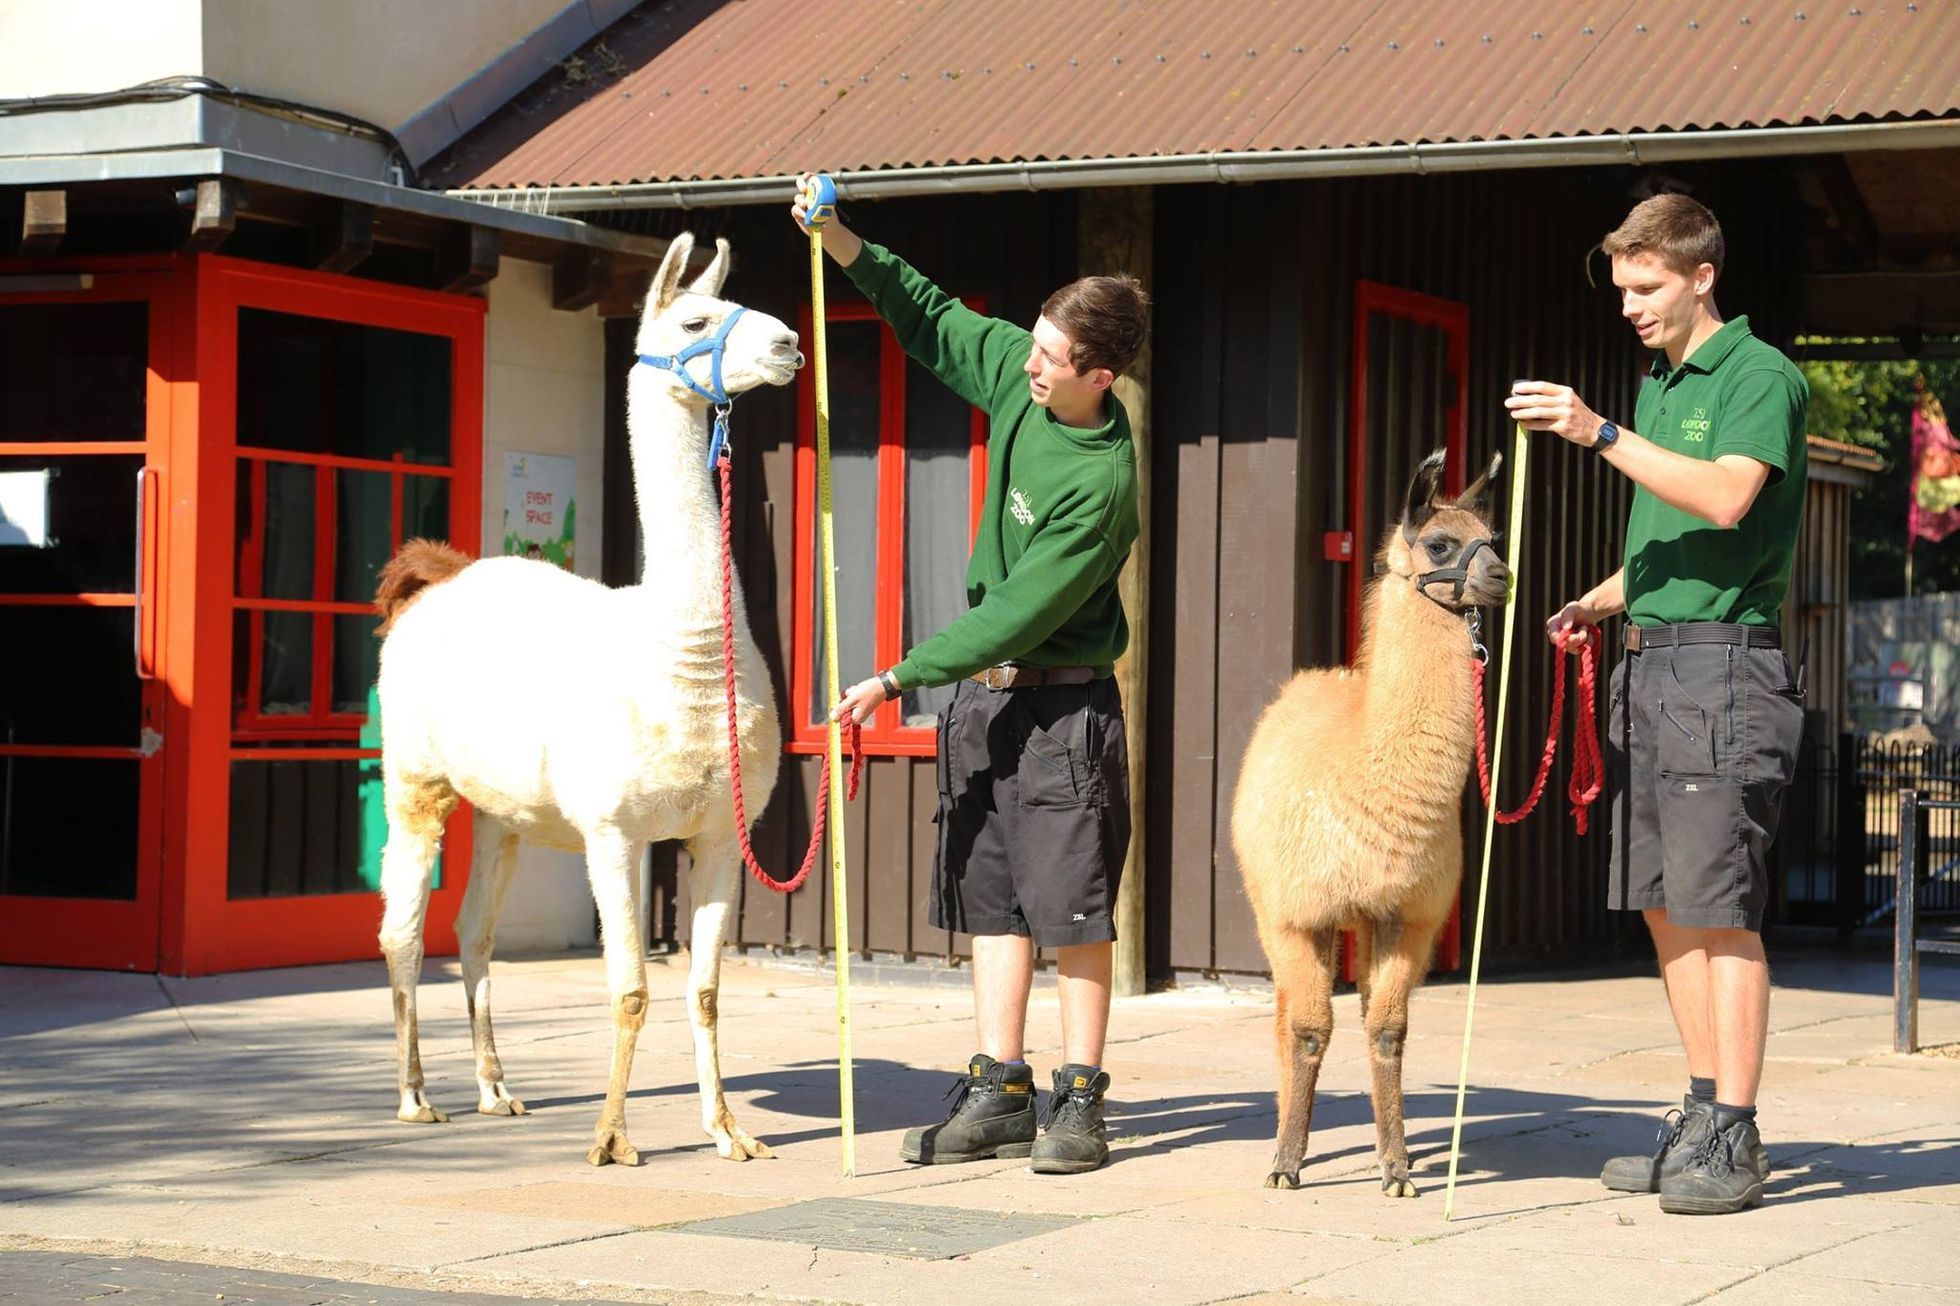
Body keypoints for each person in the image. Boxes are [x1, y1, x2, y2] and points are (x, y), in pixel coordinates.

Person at [791, 177, 1146, 1175]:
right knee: (992, 899)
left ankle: (1080, 1102)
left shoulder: (1100, 484)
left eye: (1050, 356)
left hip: (1063, 708)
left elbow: (1018, 613)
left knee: (1071, 909)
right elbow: (930, 314)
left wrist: (896, 676)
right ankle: (1001, 1092)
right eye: (1031, 342)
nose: (1027, 361)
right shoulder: (1023, 378)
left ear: (1099, 375)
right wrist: (839, 236)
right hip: (988, 699)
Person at [1509, 193, 1808, 1215]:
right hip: (1654, 666)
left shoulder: (1758, 374)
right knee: (1664, 901)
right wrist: (1597, 601)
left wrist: (1597, 432)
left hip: (1722, 675)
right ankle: (1700, 1113)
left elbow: (1725, 498)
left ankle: (1736, 1133)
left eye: (1647, 287)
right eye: (1623, 289)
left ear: (1700, 276)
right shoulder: (1663, 380)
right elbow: (1676, 544)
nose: (1630, 306)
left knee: (1720, 910)